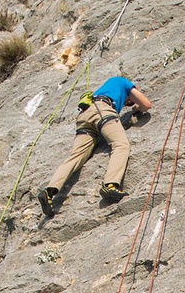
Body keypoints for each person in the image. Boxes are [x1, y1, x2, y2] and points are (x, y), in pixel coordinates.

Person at [37, 74, 152, 215]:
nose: (127, 104)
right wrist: (137, 108)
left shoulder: (106, 88)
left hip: (85, 116)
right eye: (128, 102)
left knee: (77, 156)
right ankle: (111, 184)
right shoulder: (123, 82)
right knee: (121, 145)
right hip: (101, 110)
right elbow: (146, 104)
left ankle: (49, 191)